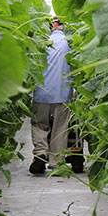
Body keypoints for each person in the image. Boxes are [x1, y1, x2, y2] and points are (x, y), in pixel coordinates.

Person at [30, 17, 72, 174]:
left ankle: (40, 153)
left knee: (39, 124)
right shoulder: (69, 44)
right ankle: (56, 162)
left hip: (42, 93)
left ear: (49, 28)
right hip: (63, 94)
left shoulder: (40, 43)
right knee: (60, 128)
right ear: (63, 27)